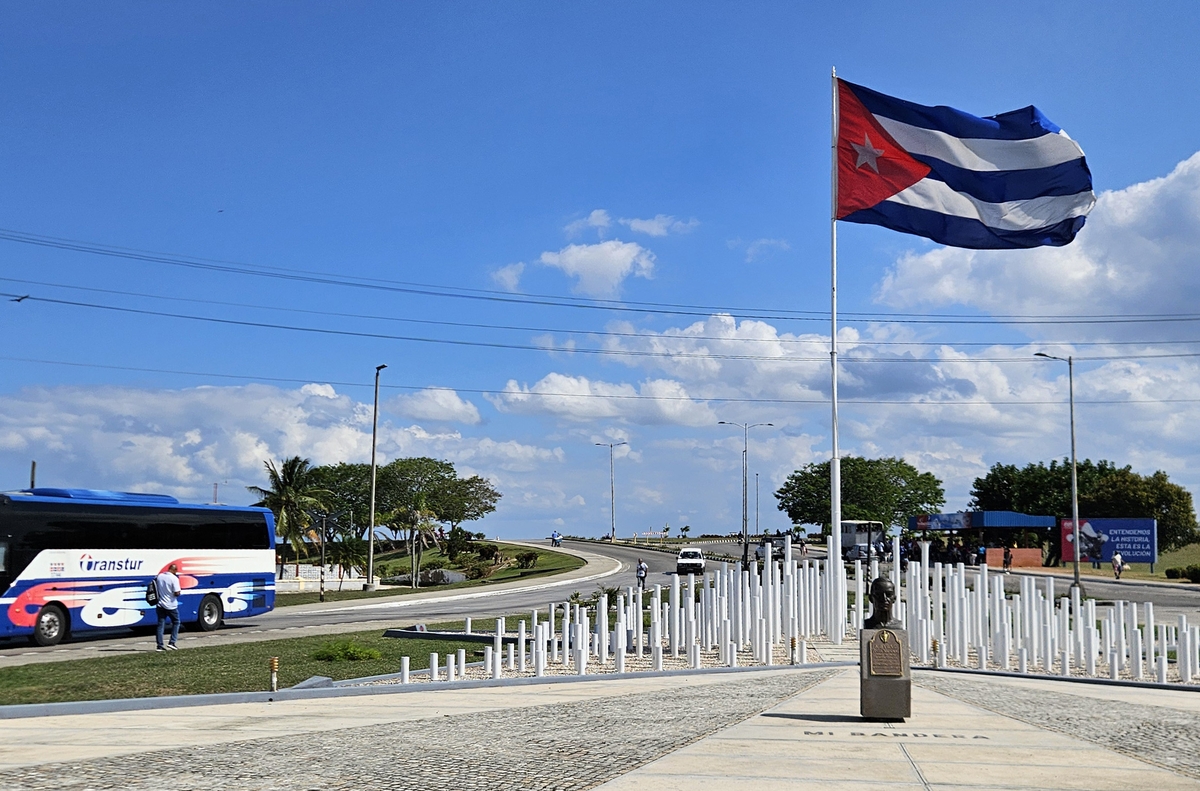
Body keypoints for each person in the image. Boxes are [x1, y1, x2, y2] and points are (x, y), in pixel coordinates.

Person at [155, 563, 182, 651]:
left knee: (160, 624)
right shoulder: (174, 579)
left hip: (160, 604)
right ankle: (172, 642)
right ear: (174, 570)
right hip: (171, 605)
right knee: (176, 622)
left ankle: (159, 645)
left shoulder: (160, 576)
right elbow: (177, 592)